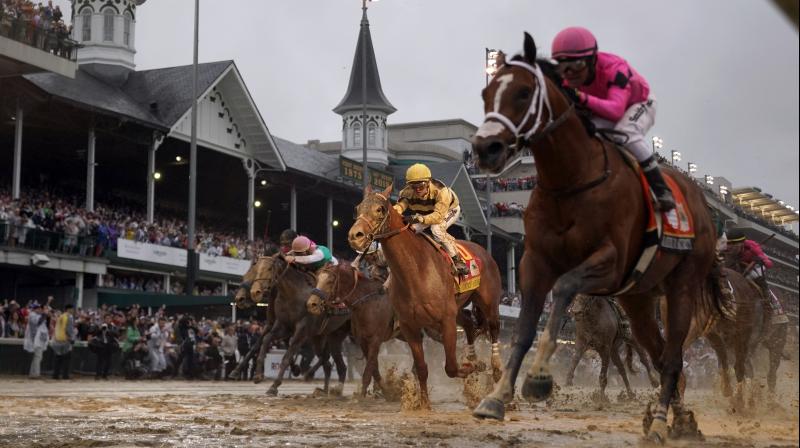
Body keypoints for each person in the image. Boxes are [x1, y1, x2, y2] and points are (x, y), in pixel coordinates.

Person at [551, 27, 675, 211]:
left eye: (576, 65)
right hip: (604, 107)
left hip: (639, 102)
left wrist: (582, 98)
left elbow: (616, 111)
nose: (569, 73)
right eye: (562, 66)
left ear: (592, 59)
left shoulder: (615, 69)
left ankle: (662, 189)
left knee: (625, 132)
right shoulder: (566, 78)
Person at [393, 163, 469, 275]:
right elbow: (401, 206)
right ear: (409, 186)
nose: (417, 190)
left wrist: (419, 219)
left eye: (421, 186)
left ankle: (457, 260)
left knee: (436, 230)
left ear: (428, 182)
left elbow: (437, 217)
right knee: (411, 230)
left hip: (448, 210)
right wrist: (393, 211)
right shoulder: (406, 192)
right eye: (414, 187)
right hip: (426, 212)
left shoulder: (442, 191)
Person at [725, 229, 789, 325]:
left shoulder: (752, 247)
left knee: (756, 276)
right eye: (729, 244)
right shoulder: (725, 248)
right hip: (737, 266)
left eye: (734, 244)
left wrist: (760, 259)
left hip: (754, 265)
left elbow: (769, 263)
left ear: (742, 244)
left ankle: (772, 302)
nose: (730, 247)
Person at [23, 303, 50, 379]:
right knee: (38, 357)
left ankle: (33, 373)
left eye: (39, 308)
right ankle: (36, 374)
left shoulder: (38, 315)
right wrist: (44, 314)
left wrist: (45, 315)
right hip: (35, 339)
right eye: (37, 308)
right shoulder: (32, 315)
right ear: (34, 309)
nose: (39, 309)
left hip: (39, 339)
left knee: (37, 357)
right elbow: (38, 322)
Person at [51, 304, 76, 380]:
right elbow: (69, 329)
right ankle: (65, 375)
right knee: (66, 359)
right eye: (72, 309)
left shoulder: (61, 316)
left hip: (57, 340)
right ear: (69, 309)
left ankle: (55, 375)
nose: (73, 311)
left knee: (57, 359)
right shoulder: (69, 317)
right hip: (65, 340)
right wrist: (71, 339)